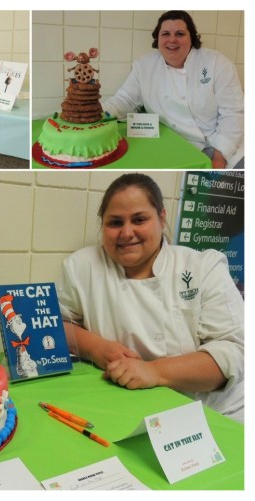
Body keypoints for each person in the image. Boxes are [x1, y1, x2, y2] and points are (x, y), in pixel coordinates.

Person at [56, 173, 244, 423]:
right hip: (131, 411)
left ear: (162, 218)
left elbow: (235, 352)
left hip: (213, 413)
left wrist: (153, 371)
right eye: (115, 223)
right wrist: (95, 348)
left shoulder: (203, 267)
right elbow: (53, 325)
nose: (126, 232)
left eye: (139, 219)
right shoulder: (83, 266)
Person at [103, 11, 244, 169]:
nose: (172, 40)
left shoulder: (217, 63)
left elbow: (233, 113)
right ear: (158, 39)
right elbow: (125, 100)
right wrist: (100, 112)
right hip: (179, 147)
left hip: (224, 146)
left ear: (192, 37)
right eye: (165, 34)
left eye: (180, 33)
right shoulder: (144, 67)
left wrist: (219, 158)